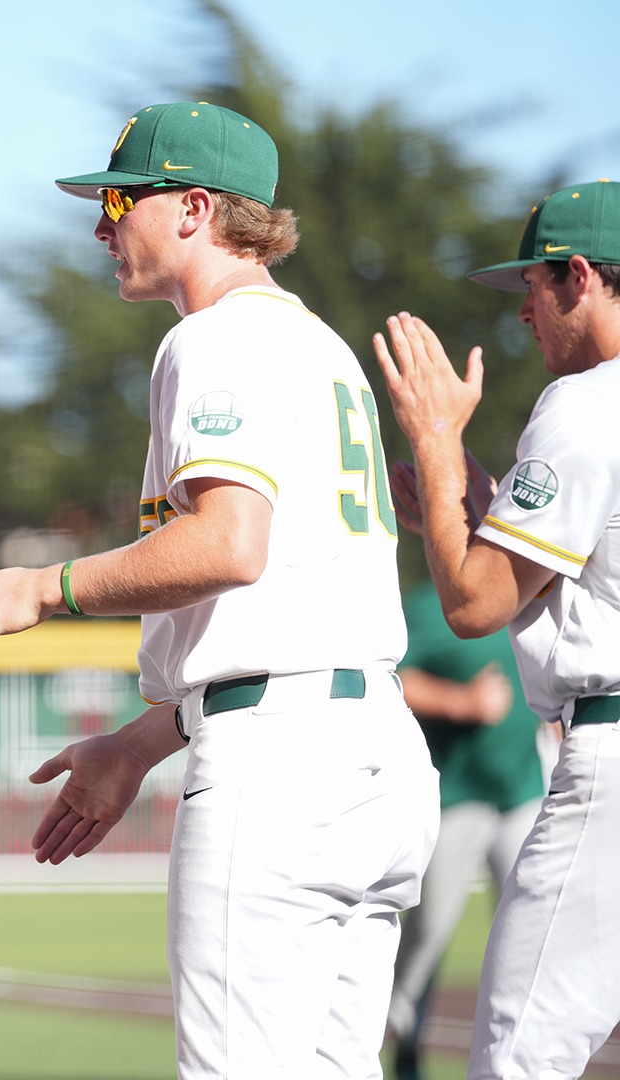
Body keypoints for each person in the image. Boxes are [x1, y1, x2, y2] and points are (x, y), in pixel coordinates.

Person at [0, 102, 438, 1076]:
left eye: (121, 201)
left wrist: (45, 588)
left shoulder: (214, 338)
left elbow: (228, 545)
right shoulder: (319, 345)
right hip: (376, 755)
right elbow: (281, 606)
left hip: (281, 773)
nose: (101, 225)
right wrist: (135, 745)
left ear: (196, 209)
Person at [373, 178, 620, 1080]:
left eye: (533, 285)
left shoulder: (589, 402)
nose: (523, 311)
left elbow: (477, 603)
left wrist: (438, 446)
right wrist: (471, 506)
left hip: (611, 767)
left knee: (518, 1056)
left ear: (580, 276)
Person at [386, 582, 547, 1080]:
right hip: (455, 799)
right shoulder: (425, 607)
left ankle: (526, 1064)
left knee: (533, 934)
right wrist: (461, 701)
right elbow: (392, 678)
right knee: (428, 934)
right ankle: (403, 1046)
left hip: (522, 793)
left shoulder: (524, 591)